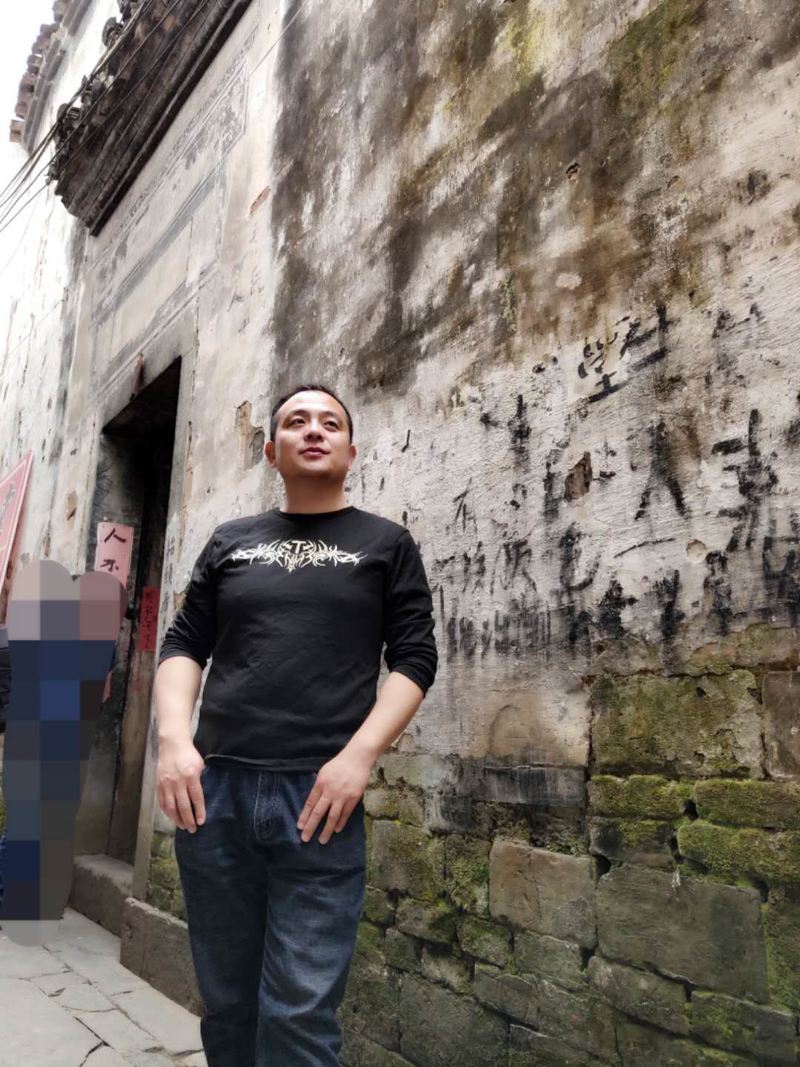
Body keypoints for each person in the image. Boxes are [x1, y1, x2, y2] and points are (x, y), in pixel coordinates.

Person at [154, 383, 438, 1067]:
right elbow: (185, 643)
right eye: (296, 421)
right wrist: (173, 741)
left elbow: (415, 658)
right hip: (214, 796)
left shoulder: (387, 544)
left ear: (351, 450)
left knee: (299, 1013)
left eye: (330, 423)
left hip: (320, 801)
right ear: (270, 450)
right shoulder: (231, 542)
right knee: (227, 1003)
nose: (314, 430)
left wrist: (359, 757)